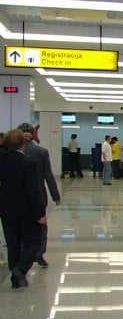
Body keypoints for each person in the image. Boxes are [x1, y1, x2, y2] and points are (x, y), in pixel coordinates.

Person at [0, 130, 47, 288]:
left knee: (12, 242)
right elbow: (33, 190)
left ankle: (16, 278)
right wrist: (41, 213)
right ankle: (20, 269)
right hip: (26, 210)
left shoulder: (2, 161)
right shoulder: (27, 163)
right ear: (22, 144)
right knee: (33, 239)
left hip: (6, 209)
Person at [19, 123, 61, 267]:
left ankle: (23, 253)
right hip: (38, 195)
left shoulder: (11, 152)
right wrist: (56, 196)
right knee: (41, 225)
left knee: (21, 225)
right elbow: (48, 175)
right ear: (33, 134)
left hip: (18, 197)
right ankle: (39, 253)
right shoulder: (41, 151)